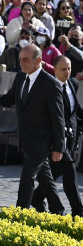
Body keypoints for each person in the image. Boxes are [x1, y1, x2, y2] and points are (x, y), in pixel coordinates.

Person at [0, 45, 66, 214]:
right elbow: (7, 100)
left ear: (38, 61)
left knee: (27, 175)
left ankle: (19, 215)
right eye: (20, 59)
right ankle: (58, 210)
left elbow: (58, 119)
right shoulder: (21, 77)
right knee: (45, 179)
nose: (21, 63)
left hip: (42, 142)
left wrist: (58, 147)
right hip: (26, 139)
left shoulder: (51, 84)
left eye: (25, 60)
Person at [30, 55, 83, 217]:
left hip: (70, 138)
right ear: (55, 70)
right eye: (63, 69)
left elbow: (75, 110)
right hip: (55, 140)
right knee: (69, 171)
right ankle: (78, 212)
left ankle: (36, 198)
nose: (67, 72)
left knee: (55, 173)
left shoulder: (73, 84)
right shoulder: (48, 88)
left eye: (69, 69)